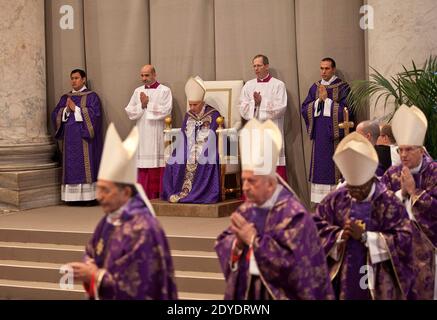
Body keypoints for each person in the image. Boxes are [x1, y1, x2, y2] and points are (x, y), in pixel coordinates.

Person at [215, 119, 334, 300]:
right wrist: (237, 244)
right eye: (243, 179)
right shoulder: (246, 211)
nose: (245, 187)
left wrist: (254, 240)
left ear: (271, 183)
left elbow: (299, 269)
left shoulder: (294, 215)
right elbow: (223, 243)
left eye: (252, 181)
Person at [68, 123, 177, 300]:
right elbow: (92, 250)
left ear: (126, 192)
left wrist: (96, 276)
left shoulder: (143, 228)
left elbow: (141, 287)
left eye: (106, 190)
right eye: (98, 189)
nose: (99, 197)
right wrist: (88, 265)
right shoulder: (108, 221)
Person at [314, 132, 414, 299]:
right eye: (351, 188)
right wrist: (338, 236)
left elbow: (405, 238)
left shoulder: (388, 202)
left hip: (380, 280)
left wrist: (367, 237)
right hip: (343, 278)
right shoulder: (336, 199)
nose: (355, 193)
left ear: (371, 179)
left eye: (360, 188)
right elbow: (314, 229)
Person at [381, 105, 436, 299]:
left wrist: (415, 192)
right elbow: (378, 209)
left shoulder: (433, 172)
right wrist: (400, 194)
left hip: (429, 250)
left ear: (421, 150)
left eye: (408, 150)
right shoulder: (392, 174)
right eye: (400, 149)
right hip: (396, 249)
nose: (403, 155)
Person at [162, 76, 221, 203]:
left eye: (195, 104)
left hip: (206, 147)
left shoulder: (213, 114)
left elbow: (213, 135)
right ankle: (177, 192)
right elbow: (183, 134)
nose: (192, 107)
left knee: (202, 158)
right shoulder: (188, 115)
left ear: (202, 102)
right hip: (187, 146)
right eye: (190, 104)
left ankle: (199, 193)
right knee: (176, 159)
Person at [301, 57, 352, 205]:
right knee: (320, 166)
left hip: (335, 136)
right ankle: (322, 204)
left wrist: (328, 101)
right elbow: (305, 108)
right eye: (321, 68)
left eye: (327, 68)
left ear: (333, 69)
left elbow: (348, 110)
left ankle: (337, 202)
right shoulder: (314, 87)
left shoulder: (342, 87)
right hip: (320, 135)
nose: (323, 72)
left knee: (334, 166)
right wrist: (318, 101)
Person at [51, 69, 102, 204]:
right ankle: (72, 198)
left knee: (86, 166)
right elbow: (55, 114)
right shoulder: (65, 97)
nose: (73, 81)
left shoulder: (92, 96)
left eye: (76, 78)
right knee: (71, 165)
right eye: (72, 78)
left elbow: (95, 115)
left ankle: (88, 198)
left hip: (84, 137)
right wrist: (66, 110)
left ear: (84, 79)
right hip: (70, 138)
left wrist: (77, 109)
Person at [125, 64, 172, 199]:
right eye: (142, 75)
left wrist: (148, 104)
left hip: (156, 131)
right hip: (142, 130)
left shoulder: (164, 91)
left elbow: (166, 110)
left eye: (147, 75)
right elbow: (129, 111)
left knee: (157, 161)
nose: (144, 78)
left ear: (154, 75)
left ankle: (157, 192)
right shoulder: (137, 91)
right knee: (143, 163)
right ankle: (144, 192)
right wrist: (142, 105)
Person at [239, 54, 288, 181]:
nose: (256, 68)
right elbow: (242, 108)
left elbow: (281, 107)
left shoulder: (278, 85)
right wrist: (254, 104)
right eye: (254, 66)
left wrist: (262, 102)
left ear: (266, 66)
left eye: (259, 65)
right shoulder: (249, 86)